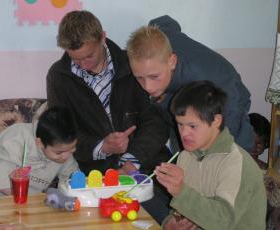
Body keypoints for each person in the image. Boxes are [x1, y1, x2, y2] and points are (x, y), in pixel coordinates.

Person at [46, 10, 171, 224]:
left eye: (88, 56)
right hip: (94, 175)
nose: (83, 65)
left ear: (102, 37)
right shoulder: (59, 77)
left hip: (146, 162)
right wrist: (101, 147)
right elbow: (61, 133)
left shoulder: (131, 64)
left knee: (160, 213)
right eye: (76, 59)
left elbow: (156, 121)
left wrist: (132, 159)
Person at [126, 15, 254, 153]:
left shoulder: (205, 79)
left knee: (230, 151)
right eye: (139, 78)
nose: (147, 87)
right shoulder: (160, 39)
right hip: (180, 93)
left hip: (228, 97)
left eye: (154, 77)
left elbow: (231, 119)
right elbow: (166, 22)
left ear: (172, 61)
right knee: (183, 151)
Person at [154, 81, 267, 229]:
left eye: (192, 126)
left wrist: (180, 191)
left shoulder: (236, 163)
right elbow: (181, 210)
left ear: (216, 121)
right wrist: (170, 223)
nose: (183, 133)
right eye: (180, 124)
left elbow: (223, 222)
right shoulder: (186, 156)